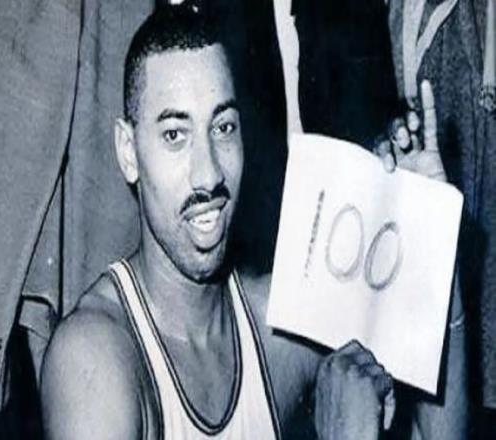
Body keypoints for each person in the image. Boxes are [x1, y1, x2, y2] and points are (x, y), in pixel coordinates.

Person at [40, 5, 461, 439]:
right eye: (175, 135)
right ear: (128, 151)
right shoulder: (93, 360)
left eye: (223, 127)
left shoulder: (277, 325)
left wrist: (429, 235)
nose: (208, 174)